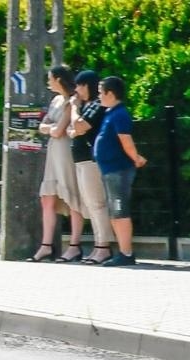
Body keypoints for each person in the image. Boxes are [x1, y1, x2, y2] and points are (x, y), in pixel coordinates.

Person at [93, 76, 148, 267]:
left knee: (120, 210)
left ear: (110, 93)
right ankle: (123, 252)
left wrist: (136, 158)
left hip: (118, 170)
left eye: (101, 92)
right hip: (110, 170)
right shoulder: (111, 113)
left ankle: (126, 253)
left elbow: (126, 141)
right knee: (115, 212)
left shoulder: (120, 114)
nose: (99, 96)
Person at [31, 66, 82, 262]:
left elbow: (58, 130)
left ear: (59, 79)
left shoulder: (73, 100)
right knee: (47, 198)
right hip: (53, 151)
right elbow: (43, 126)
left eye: (50, 78)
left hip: (66, 151)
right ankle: (46, 245)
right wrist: (51, 128)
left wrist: (50, 128)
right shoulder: (56, 100)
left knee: (72, 197)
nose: (48, 82)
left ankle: (74, 245)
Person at [69, 70, 115, 264]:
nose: (76, 90)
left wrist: (73, 108)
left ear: (86, 85)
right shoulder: (87, 106)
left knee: (97, 203)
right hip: (81, 160)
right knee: (90, 203)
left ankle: (103, 246)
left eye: (79, 86)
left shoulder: (96, 105)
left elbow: (79, 127)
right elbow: (74, 129)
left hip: (91, 160)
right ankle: (98, 245)